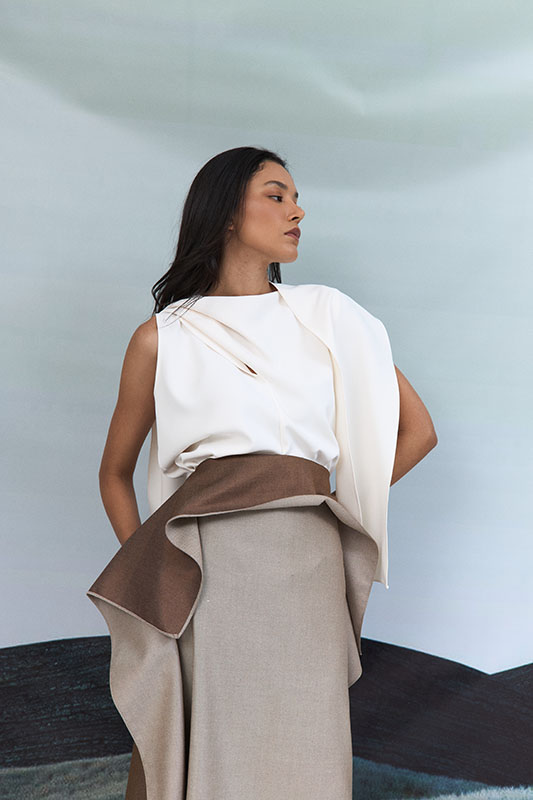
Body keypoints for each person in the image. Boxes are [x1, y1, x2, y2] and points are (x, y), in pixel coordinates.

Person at [87, 146, 438, 800]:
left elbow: (418, 431)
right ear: (226, 212)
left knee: (307, 746)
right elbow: (114, 472)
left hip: (308, 564)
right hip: (206, 569)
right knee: (219, 745)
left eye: (295, 198)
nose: (296, 211)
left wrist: (322, 503)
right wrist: (153, 573)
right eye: (276, 195)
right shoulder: (163, 337)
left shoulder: (328, 318)